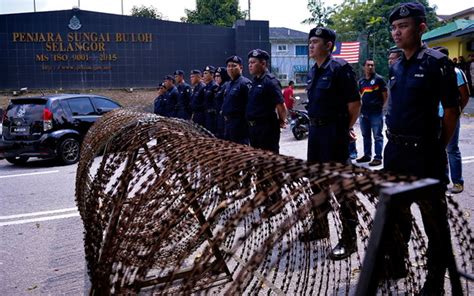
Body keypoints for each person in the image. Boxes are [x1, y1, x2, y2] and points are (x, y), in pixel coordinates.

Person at [383, 3, 459, 292]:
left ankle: (435, 280)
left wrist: (438, 145)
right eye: (394, 27)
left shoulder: (436, 63)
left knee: (433, 221)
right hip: (395, 151)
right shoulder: (396, 65)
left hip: (424, 152)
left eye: (403, 26)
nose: (397, 32)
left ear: (421, 28)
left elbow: (451, 110)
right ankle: (397, 264)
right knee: (395, 215)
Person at [298, 27, 361, 262]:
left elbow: (354, 104)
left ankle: (349, 238)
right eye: (310, 42)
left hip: (334, 133)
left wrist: (344, 129)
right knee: (316, 182)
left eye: (316, 42)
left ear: (329, 45)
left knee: (341, 187)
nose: (311, 45)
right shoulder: (313, 71)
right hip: (315, 132)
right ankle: (320, 226)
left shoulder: (340, 69)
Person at [434, 46, 471, 194]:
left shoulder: (456, 72)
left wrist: (457, 112)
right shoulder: (434, 73)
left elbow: (465, 95)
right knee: (439, 149)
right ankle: (443, 180)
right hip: (435, 116)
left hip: (450, 116)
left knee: (452, 149)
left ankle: (458, 182)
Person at [247, 49, 287, 153]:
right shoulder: (255, 81)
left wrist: (282, 120)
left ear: (263, 63)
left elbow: (281, 105)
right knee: (258, 161)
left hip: (266, 129)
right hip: (254, 129)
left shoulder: (270, 82)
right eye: (249, 63)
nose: (250, 65)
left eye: (253, 62)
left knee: (269, 160)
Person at [355, 59, 387, 166]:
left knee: (377, 136)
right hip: (364, 114)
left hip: (376, 113)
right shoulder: (361, 82)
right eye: (368, 65)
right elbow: (359, 97)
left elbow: (385, 96)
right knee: (366, 136)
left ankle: (378, 157)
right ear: (364, 67)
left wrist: (381, 108)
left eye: (372, 65)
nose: (370, 67)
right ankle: (367, 155)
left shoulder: (379, 79)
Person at [222, 55, 251, 145]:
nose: (231, 69)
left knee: (241, 152)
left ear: (241, 67)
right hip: (228, 124)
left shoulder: (245, 83)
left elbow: (250, 105)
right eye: (229, 66)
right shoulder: (228, 84)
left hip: (240, 125)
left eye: (234, 66)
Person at [202, 66, 219, 134]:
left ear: (212, 75)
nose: (204, 75)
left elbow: (216, 102)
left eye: (206, 73)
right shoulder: (206, 86)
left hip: (212, 115)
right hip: (206, 114)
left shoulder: (214, 86)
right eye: (204, 73)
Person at [214, 66, 230, 139]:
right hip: (218, 116)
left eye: (218, 76)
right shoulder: (220, 86)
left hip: (224, 117)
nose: (216, 78)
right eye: (215, 76)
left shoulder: (226, 85)